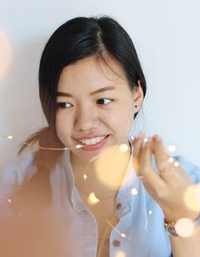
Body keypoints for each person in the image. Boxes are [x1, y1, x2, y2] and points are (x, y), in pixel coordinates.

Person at [0, 16, 200, 257]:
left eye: (102, 101)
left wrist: (181, 220)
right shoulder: (12, 191)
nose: (84, 123)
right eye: (64, 104)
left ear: (136, 95)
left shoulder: (187, 186)